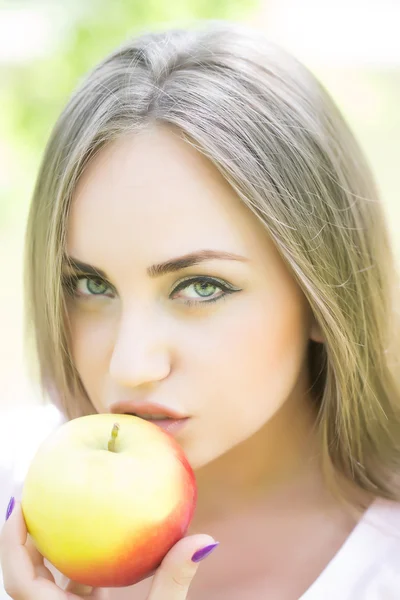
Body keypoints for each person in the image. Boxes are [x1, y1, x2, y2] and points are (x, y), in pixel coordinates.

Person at [1, 18, 400, 600]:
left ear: (322, 295)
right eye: (91, 285)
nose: (131, 366)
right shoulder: (16, 496)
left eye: (202, 287)